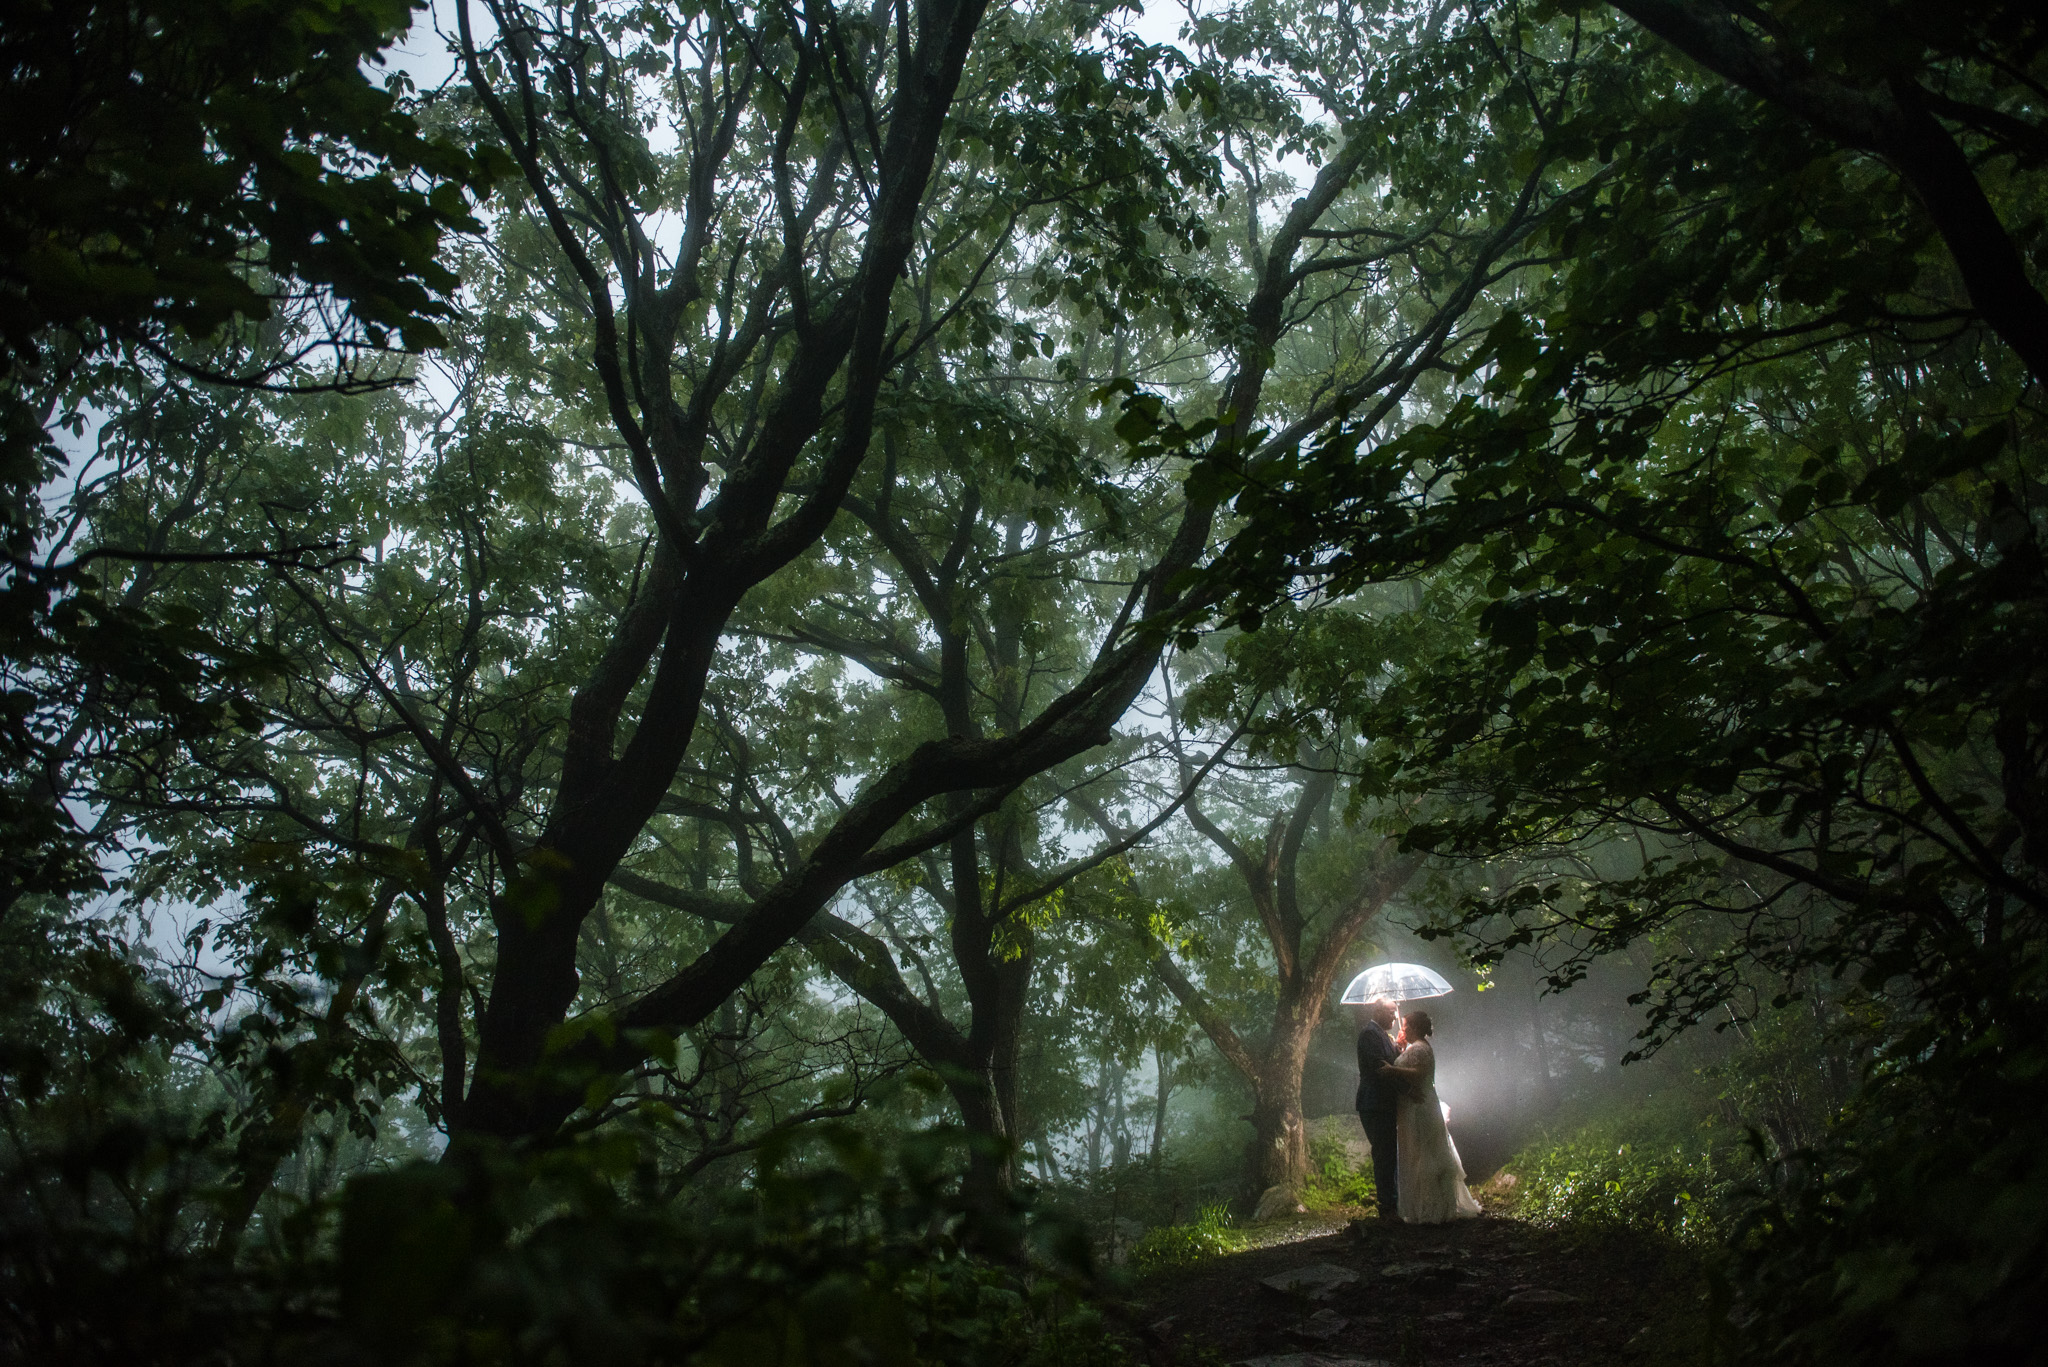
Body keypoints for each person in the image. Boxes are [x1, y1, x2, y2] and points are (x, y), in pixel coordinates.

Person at [1391, 1009, 1481, 1224]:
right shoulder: (1416, 1048)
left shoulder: (1420, 1048)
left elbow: (1419, 1073)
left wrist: (1391, 1070)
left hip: (1419, 1107)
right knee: (1421, 1150)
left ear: (1414, 1028)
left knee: (1423, 1151)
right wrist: (1403, 1049)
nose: (1403, 1030)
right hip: (1417, 1104)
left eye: (1405, 1027)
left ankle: (1430, 1208)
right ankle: (1426, 1205)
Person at [1354, 1000, 1409, 1221]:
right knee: (1384, 1152)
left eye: (1395, 1013)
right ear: (1378, 1012)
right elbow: (1381, 1068)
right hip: (1374, 1102)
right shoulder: (1369, 1035)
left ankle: (1391, 1201)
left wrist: (1400, 1048)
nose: (1395, 1017)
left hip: (1383, 1103)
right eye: (1391, 1012)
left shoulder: (1382, 1035)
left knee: (1388, 1151)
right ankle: (1387, 1205)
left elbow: (1391, 1062)